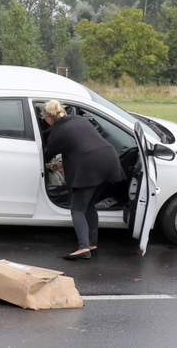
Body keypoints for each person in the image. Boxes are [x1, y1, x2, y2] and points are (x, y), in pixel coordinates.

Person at [41, 99, 126, 260]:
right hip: (109, 160)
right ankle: (92, 243)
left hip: (90, 168)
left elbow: (46, 155)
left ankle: (83, 248)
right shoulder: (80, 119)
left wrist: (49, 162)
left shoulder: (57, 132)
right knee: (88, 205)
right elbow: (83, 145)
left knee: (77, 209)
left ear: (48, 119)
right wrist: (61, 163)